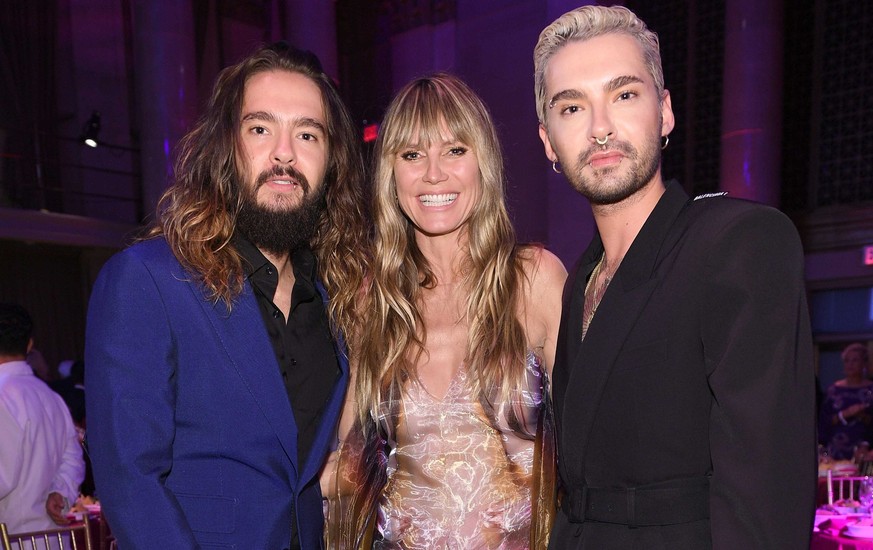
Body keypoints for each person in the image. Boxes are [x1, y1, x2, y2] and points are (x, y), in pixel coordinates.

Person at [533, 6, 816, 548]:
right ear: (548, 141)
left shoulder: (739, 242)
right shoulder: (580, 282)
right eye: (572, 107)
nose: (600, 128)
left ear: (664, 112)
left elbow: (765, 497)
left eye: (624, 95)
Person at [85, 42, 369, 549]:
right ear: (225, 148)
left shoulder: (336, 297)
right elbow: (131, 482)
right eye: (260, 129)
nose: (284, 153)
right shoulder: (148, 280)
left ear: (332, 162)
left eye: (308, 134)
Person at [320, 73, 566, 549]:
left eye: (454, 150)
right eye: (412, 155)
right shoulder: (372, 303)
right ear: (391, 174)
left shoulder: (533, 280)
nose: (434, 173)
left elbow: (593, 445)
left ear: (484, 163)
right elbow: (343, 470)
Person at [0, 303, 85, 538]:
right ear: (29, 344)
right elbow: (73, 458)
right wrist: (61, 492)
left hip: (10, 537)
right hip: (51, 536)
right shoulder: (51, 396)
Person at [820, 343, 873, 460]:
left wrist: (862, 416)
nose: (850, 364)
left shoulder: (870, 390)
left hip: (864, 451)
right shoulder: (833, 390)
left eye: (855, 360)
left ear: (864, 364)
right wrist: (844, 414)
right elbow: (823, 423)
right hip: (835, 450)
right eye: (847, 360)